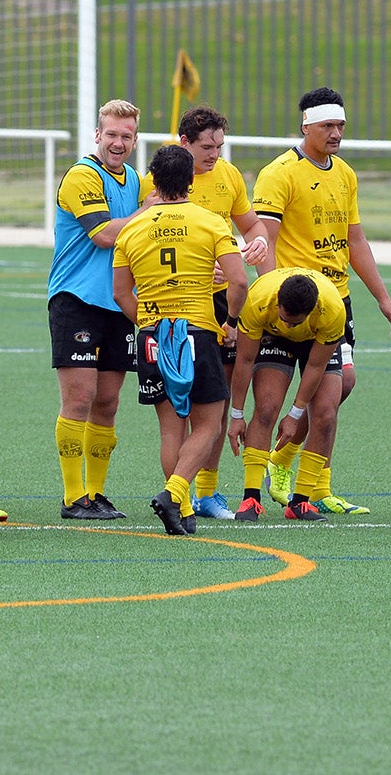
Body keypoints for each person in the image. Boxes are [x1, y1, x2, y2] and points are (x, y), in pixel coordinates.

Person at [251, 86, 391, 515]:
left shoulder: (345, 174)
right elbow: (266, 238)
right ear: (306, 126)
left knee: (340, 388)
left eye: (340, 125)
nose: (336, 133)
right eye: (327, 126)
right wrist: (275, 299)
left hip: (336, 302)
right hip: (293, 304)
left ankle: (307, 480)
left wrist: (383, 297)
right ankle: (279, 478)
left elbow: (354, 239)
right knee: (274, 401)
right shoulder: (279, 173)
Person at [140, 107, 271, 520]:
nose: (214, 154)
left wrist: (259, 242)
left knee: (222, 391)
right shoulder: (159, 181)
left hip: (217, 300)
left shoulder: (229, 176)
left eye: (220, 146)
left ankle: (207, 493)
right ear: (184, 144)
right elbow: (148, 235)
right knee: (187, 411)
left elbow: (250, 225)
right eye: (206, 147)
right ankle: (179, 495)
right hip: (184, 306)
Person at [112, 144, 246, 536]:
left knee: (171, 429)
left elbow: (121, 292)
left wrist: (149, 323)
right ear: (190, 180)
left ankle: (183, 512)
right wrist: (231, 322)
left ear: (153, 179)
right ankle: (174, 494)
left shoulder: (133, 228)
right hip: (197, 332)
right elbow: (238, 280)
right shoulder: (208, 222)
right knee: (208, 423)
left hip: (153, 335)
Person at [48, 99, 144, 520]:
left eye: (126, 136)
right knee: (81, 398)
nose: (118, 143)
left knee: (107, 403)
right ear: (97, 135)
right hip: (77, 300)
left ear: (135, 140)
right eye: (111, 135)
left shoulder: (136, 181)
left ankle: (96, 493)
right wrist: (151, 212)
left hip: (119, 304)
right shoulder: (82, 175)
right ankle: (73, 497)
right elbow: (105, 234)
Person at [224, 268, 346, 523]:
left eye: (294, 322)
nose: (288, 325)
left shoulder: (332, 311)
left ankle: (300, 502)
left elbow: (314, 367)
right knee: (267, 407)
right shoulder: (258, 300)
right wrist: (236, 415)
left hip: (316, 340)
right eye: (285, 318)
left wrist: (295, 414)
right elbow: (245, 360)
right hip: (274, 338)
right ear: (278, 302)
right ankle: (251, 498)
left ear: (310, 312)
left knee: (325, 413)